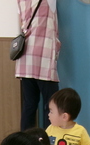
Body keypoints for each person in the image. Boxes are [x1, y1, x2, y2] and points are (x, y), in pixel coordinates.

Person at [15, 0, 60, 131]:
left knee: (29, 105)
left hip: (25, 59)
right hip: (44, 58)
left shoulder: (20, 1)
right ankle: (48, 140)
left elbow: (20, 25)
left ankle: (25, 140)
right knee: (51, 106)